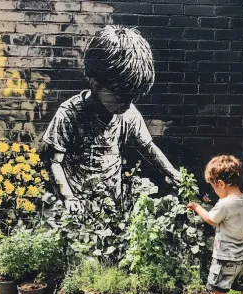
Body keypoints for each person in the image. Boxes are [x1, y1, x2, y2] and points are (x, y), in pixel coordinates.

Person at [42, 25, 180, 212]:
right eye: (121, 96)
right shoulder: (70, 113)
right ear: (95, 83)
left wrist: (173, 174)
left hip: (111, 210)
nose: (128, 103)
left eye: (132, 97)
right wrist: (68, 198)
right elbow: (54, 161)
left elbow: (148, 148)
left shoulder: (128, 113)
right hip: (76, 209)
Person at [187, 155, 243, 294]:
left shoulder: (224, 204)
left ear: (221, 184)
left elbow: (211, 219)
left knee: (219, 291)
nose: (213, 189)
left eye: (213, 185)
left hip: (225, 257)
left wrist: (196, 207)